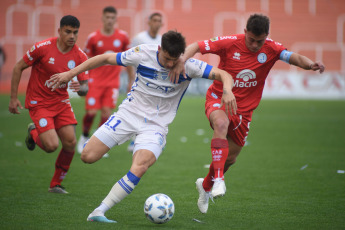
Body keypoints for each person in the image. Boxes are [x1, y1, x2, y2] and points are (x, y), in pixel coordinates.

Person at [48, 30, 237, 223]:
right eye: (166, 58)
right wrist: (70, 74)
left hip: (155, 126)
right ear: (159, 49)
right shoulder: (143, 53)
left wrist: (228, 90)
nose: (170, 64)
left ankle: (99, 211)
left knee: (141, 165)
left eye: (174, 59)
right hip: (128, 115)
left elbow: (223, 74)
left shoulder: (189, 66)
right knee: (88, 156)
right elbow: (105, 58)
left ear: (181, 55)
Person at [169, 13, 325, 213]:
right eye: (251, 40)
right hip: (219, 97)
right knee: (221, 125)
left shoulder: (272, 48)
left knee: (230, 159)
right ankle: (219, 180)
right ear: (245, 33)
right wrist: (182, 59)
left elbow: (293, 57)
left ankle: (206, 185)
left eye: (259, 41)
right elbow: (198, 46)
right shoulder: (230, 42)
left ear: (267, 36)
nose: (254, 45)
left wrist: (310, 64)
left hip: (245, 110)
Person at [8, 15, 89, 194]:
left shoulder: (80, 56)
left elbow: (84, 89)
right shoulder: (42, 48)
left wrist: (80, 88)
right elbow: (17, 67)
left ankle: (55, 185)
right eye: (68, 32)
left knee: (70, 142)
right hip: (39, 103)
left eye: (75, 33)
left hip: (61, 103)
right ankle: (33, 132)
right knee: (51, 146)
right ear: (59, 31)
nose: (72, 36)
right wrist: (14, 98)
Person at [77, 6, 135, 156]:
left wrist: (131, 80)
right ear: (103, 18)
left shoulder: (122, 37)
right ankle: (84, 136)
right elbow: (85, 59)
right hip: (94, 81)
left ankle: (97, 144)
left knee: (106, 113)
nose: (109, 20)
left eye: (112, 18)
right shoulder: (93, 37)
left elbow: (128, 60)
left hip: (112, 82)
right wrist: (82, 80)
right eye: (107, 17)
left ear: (115, 19)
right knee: (90, 113)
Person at [126, 12, 163, 152]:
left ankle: (142, 139)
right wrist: (130, 79)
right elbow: (129, 58)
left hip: (156, 82)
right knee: (136, 109)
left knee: (153, 111)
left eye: (159, 21)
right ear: (149, 22)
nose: (157, 23)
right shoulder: (139, 38)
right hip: (139, 80)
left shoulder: (162, 39)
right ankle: (133, 138)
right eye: (154, 20)